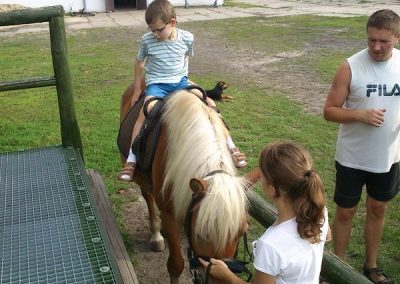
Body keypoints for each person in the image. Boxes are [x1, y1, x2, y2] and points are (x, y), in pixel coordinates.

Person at [118, 0, 247, 181]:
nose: (154, 34)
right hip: (157, 84)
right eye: (151, 30)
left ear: (172, 22)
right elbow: (140, 62)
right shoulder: (147, 40)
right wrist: (138, 86)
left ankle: (231, 146)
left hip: (180, 82)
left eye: (158, 29)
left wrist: (184, 79)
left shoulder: (187, 38)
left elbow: (185, 59)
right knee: (144, 113)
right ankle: (131, 160)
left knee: (210, 104)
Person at [323, 9, 400, 284]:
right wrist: (360, 114)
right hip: (352, 158)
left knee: (378, 209)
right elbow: (329, 111)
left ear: (397, 37)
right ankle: (337, 267)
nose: (376, 47)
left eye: (384, 42)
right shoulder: (350, 67)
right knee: (345, 211)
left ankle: (372, 266)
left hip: (388, 157)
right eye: (371, 41)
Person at [200, 141, 331, 284]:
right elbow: (327, 237)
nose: (259, 178)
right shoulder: (319, 213)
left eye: (262, 176)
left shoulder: (271, 245)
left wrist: (227, 275)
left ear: (272, 189)